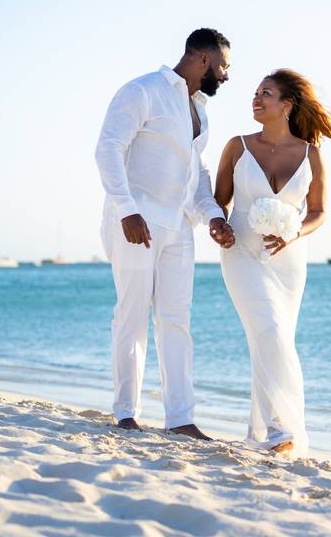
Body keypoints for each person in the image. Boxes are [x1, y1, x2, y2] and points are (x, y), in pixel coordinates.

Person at [94, 28, 236, 440]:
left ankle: (180, 418)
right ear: (204, 59)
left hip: (179, 228)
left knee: (176, 320)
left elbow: (196, 173)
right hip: (136, 221)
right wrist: (127, 209)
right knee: (132, 315)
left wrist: (212, 214)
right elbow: (108, 149)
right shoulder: (143, 91)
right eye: (224, 66)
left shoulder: (199, 109)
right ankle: (125, 412)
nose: (226, 76)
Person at [214, 69, 331, 455]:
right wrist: (218, 226)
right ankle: (283, 431)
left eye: (266, 94)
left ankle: (262, 434)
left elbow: (319, 212)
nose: (256, 99)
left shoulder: (311, 154)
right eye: (256, 93)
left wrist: (294, 232)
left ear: (287, 105)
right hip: (240, 252)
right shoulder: (237, 147)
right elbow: (220, 200)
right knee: (270, 331)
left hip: (288, 260)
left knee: (271, 339)